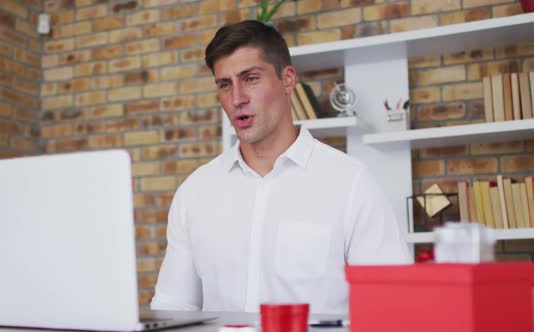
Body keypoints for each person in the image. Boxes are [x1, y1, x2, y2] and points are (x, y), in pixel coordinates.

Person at [151, 20, 411, 314]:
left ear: (287, 80)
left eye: (250, 78)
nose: (237, 99)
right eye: (225, 84)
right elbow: (174, 306)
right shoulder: (194, 192)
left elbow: (392, 308)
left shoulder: (351, 183)